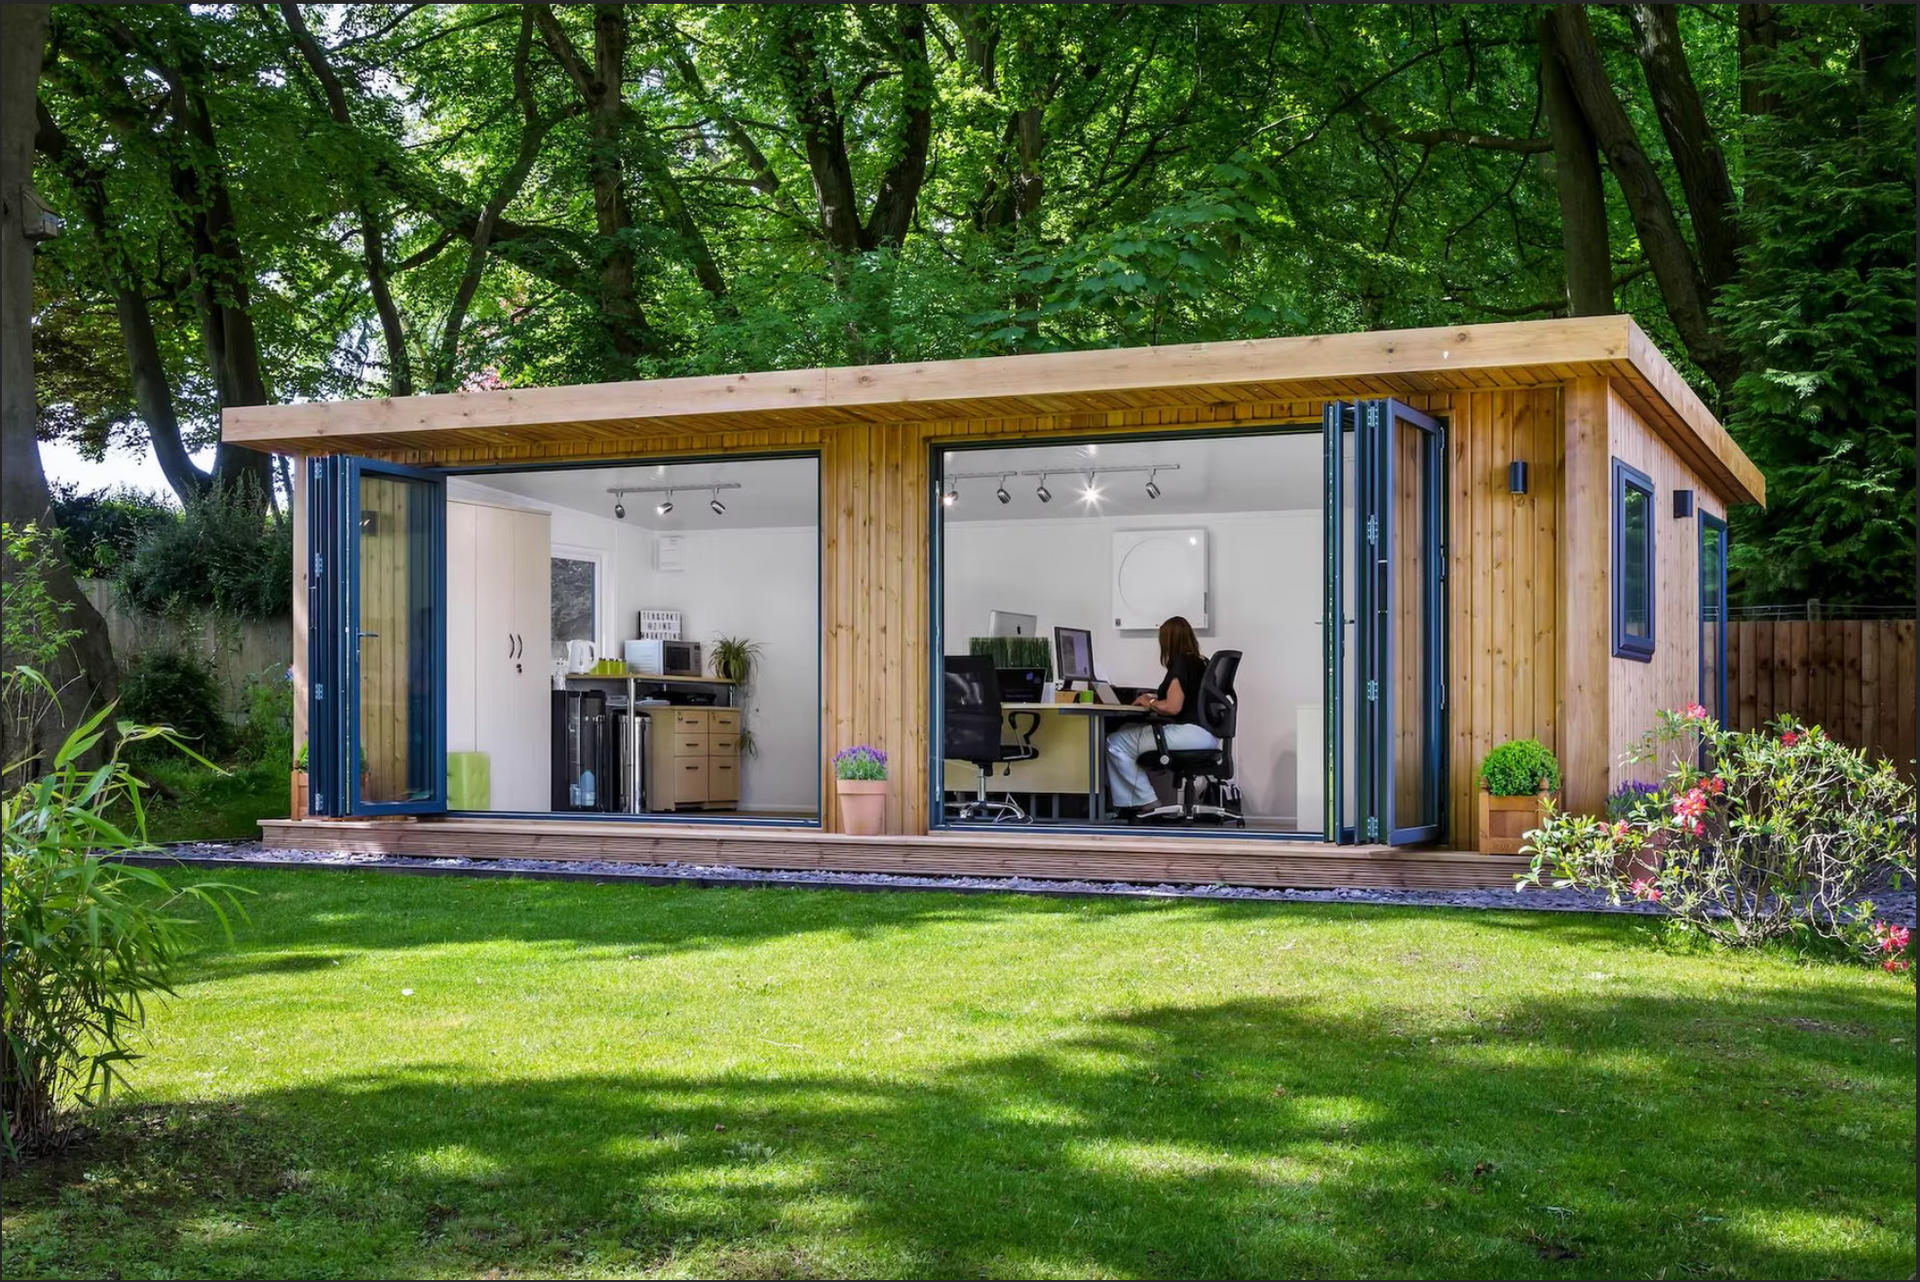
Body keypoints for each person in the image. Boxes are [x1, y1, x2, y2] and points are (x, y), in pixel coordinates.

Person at [1104, 616, 1218, 818]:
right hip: (1207, 735)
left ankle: (1147, 803)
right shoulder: (1202, 662)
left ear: (1168, 641)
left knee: (1116, 741)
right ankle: (1141, 803)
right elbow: (1189, 697)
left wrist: (1150, 703)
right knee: (1126, 733)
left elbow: (1173, 707)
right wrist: (1156, 698)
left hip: (1187, 733)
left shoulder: (1182, 662)